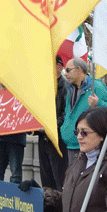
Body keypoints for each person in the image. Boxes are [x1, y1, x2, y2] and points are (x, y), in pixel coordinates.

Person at [61, 57, 107, 163]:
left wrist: (98, 103)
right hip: (71, 144)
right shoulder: (71, 89)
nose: (65, 74)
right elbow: (68, 113)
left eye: (68, 70)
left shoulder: (96, 87)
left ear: (79, 69)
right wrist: (64, 128)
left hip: (88, 146)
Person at [37, 55, 68, 190]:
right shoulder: (43, 87)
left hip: (57, 138)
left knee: (58, 178)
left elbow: (66, 114)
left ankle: (59, 202)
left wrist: (51, 126)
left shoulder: (65, 87)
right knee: (46, 178)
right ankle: (48, 200)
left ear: (59, 67)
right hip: (43, 138)